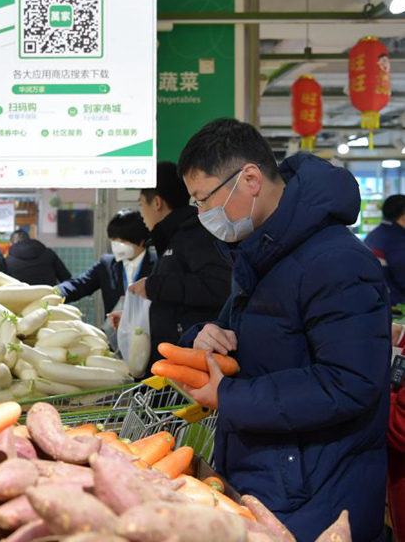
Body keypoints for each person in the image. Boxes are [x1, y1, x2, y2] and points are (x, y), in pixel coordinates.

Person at [178, 118, 389, 542]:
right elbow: (242, 335)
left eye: (205, 200)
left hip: (318, 496)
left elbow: (349, 382)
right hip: (270, 478)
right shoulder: (261, 253)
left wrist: (230, 397)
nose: (203, 215)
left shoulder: (337, 262)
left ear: (250, 179)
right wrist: (202, 336)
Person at [130, 161, 231, 367]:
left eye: (141, 204)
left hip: (193, 362)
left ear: (156, 202)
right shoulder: (173, 237)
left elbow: (219, 286)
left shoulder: (196, 234)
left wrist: (154, 286)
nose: (141, 213)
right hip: (176, 361)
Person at [58, 210, 156, 331]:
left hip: (148, 334)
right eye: (113, 240)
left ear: (141, 241)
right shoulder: (106, 264)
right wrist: (55, 292)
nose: (116, 246)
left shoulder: (158, 265)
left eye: (122, 241)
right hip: (114, 334)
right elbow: (79, 284)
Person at [365, 194, 405, 306]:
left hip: (376, 301)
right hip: (396, 304)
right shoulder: (397, 240)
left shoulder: (374, 235)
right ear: (403, 216)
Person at [6, 230, 71, 286]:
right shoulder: (48, 253)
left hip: (21, 296)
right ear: (29, 239)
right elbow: (66, 277)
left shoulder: (9, 261)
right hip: (48, 295)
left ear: (11, 243)